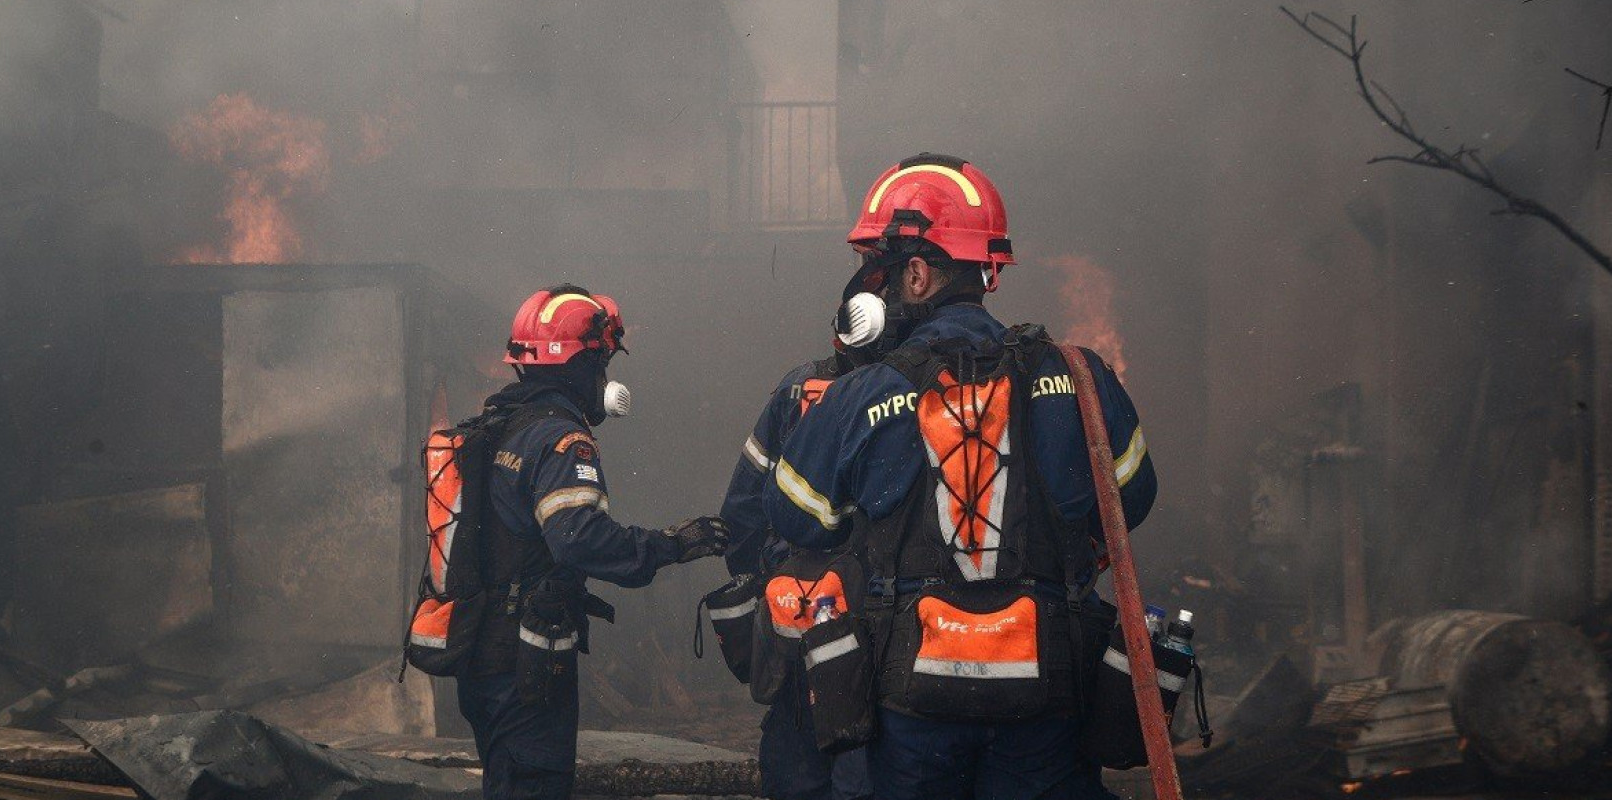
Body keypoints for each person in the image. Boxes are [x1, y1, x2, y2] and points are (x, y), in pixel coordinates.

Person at [763, 154, 1157, 800]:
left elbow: (792, 516)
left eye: (880, 272)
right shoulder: (1078, 377)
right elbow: (1133, 498)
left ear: (916, 275)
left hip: (911, 708)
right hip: (1045, 706)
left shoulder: (863, 393)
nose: (873, 289)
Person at [460, 285, 730, 800]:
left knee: (505, 781)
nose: (605, 378)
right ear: (580, 365)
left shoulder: (501, 426)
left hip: (484, 654)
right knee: (534, 787)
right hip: (525, 663)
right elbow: (579, 540)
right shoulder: (561, 440)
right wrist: (671, 544)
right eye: (602, 362)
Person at [718, 340, 874, 800]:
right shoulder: (919, 388)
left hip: (797, 630)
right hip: (881, 635)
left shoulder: (798, 389)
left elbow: (741, 513)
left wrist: (771, 586)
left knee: (797, 767)